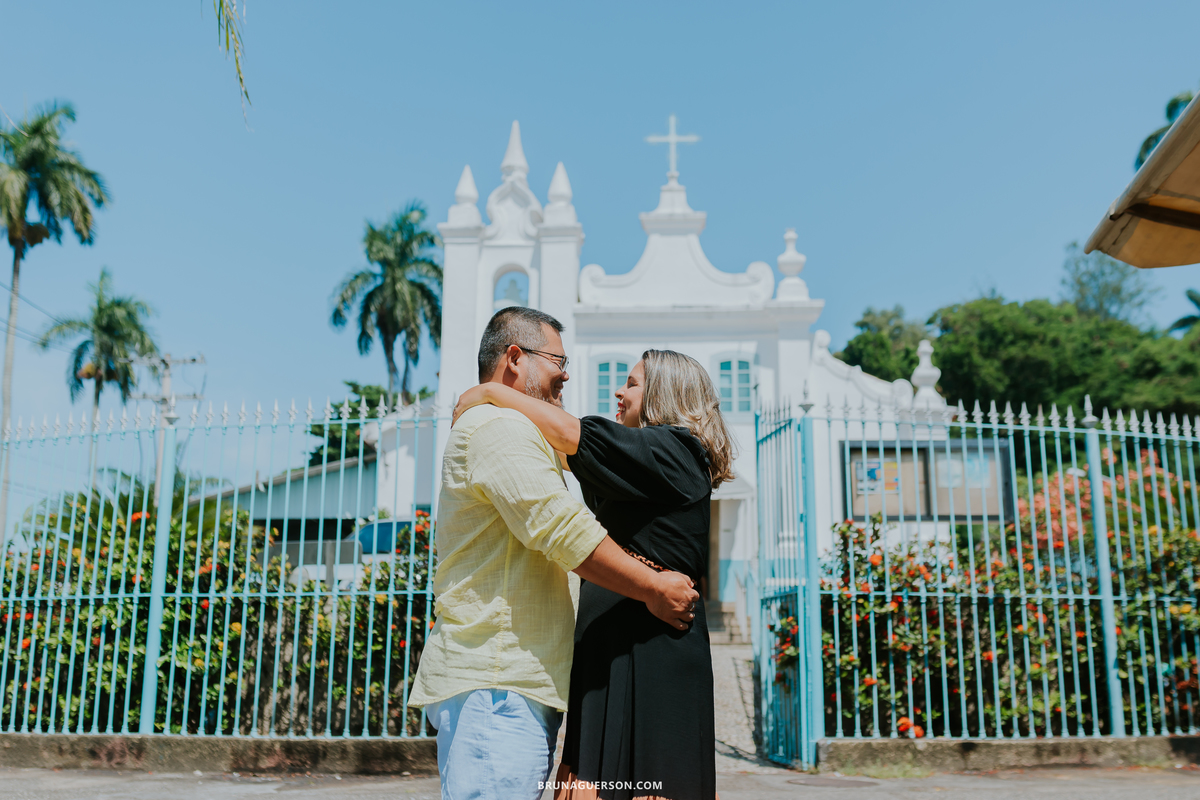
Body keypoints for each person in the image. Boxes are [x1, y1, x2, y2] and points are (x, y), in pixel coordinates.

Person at [409, 308, 699, 800]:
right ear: (515, 358)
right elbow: (562, 528)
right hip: (497, 682)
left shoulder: (514, 423)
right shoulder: (497, 427)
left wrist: (493, 392)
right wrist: (653, 587)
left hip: (509, 684)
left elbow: (588, 449)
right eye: (557, 361)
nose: (566, 375)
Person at [455, 348, 733, 800]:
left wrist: (491, 392)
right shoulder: (643, 463)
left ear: (666, 395)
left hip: (650, 654)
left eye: (633, 383)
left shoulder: (676, 450)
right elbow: (565, 450)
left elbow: (571, 435)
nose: (619, 392)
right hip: (617, 650)